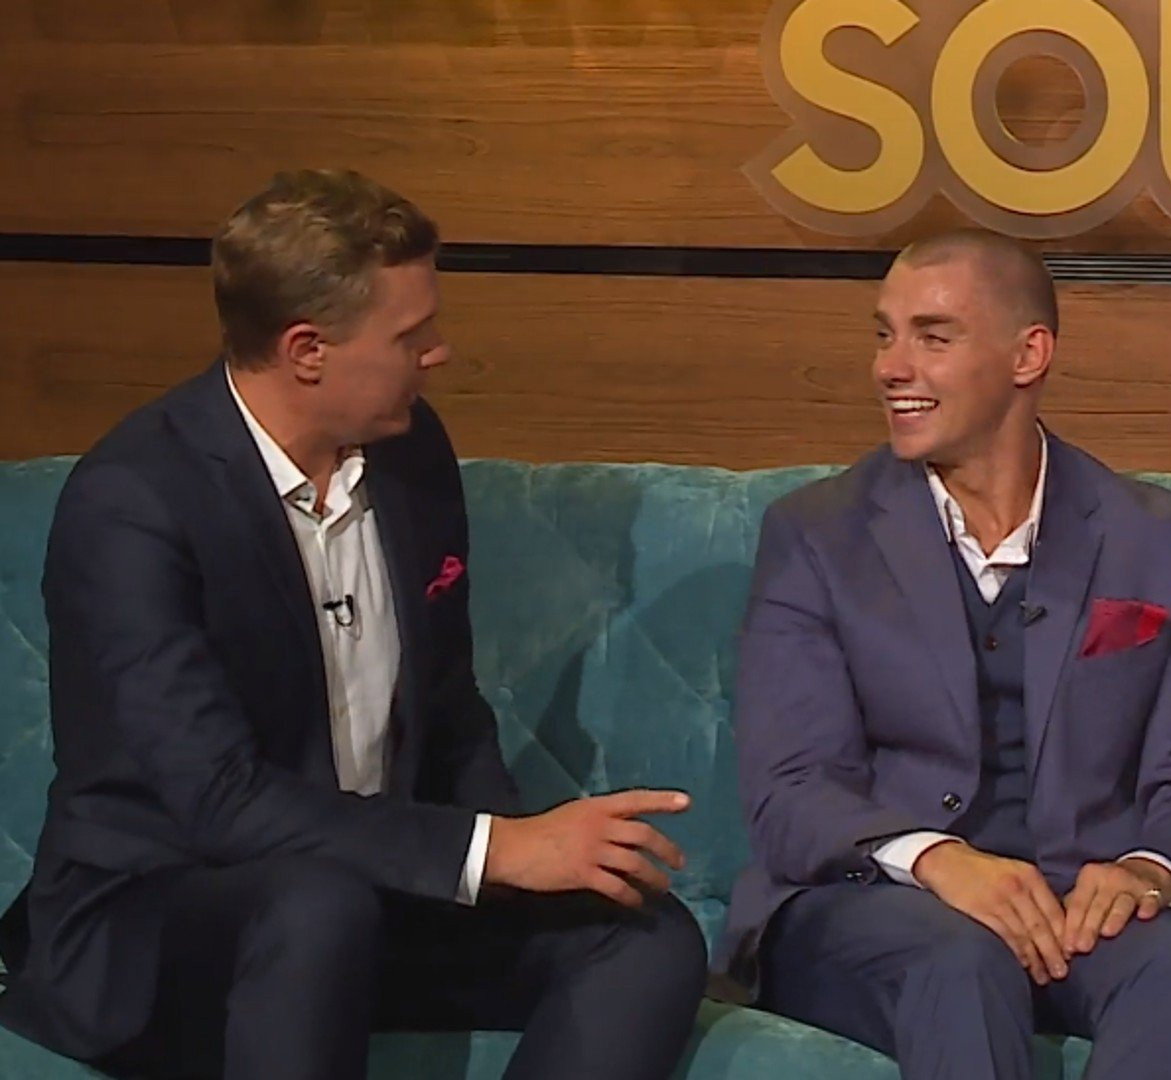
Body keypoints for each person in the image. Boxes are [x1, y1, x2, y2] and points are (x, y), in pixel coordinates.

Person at [0, 169, 707, 1080]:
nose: (439, 353)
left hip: (371, 886)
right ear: (307, 350)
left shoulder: (410, 451)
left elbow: (446, 707)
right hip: (163, 918)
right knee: (315, 908)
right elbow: (217, 800)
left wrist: (528, 850)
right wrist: (494, 851)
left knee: (644, 937)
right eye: (411, 336)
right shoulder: (135, 504)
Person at [719, 229, 1171, 1080]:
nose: (890, 367)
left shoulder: (1158, 540)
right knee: (961, 962)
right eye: (885, 335)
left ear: (1029, 355)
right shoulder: (818, 535)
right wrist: (940, 861)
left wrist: (1146, 871)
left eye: (932, 337)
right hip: (874, 905)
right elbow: (791, 790)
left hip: (1074, 908)